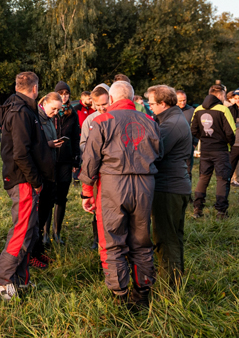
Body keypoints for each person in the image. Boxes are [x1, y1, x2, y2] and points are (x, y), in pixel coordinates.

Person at [79, 81, 162, 310]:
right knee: (142, 240)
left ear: (112, 98)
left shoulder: (102, 121)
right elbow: (159, 152)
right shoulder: (150, 121)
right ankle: (142, 291)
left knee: (112, 241)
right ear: (133, 97)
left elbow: (90, 160)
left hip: (113, 184)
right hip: (145, 183)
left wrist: (87, 192)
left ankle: (120, 294)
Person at [0, 72, 53, 301]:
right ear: (35, 88)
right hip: (24, 180)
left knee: (30, 230)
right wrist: (36, 181)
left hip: (26, 179)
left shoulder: (21, 107)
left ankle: (20, 279)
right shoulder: (20, 111)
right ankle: (3, 281)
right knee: (21, 230)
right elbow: (20, 153)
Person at [145, 85, 192, 287]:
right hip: (176, 185)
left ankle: (169, 285)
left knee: (165, 238)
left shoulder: (170, 124)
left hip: (168, 187)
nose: (149, 106)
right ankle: (176, 280)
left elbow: (153, 153)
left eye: (152, 103)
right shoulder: (173, 118)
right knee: (174, 236)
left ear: (163, 104)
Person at [191, 85, 236, 219]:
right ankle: (221, 212)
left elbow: (193, 130)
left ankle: (197, 208)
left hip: (205, 149)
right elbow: (231, 132)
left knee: (203, 178)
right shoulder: (223, 110)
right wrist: (228, 143)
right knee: (222, 179)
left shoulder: (198, 109)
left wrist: (204, 139)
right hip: (221, 150)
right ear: (220, 95)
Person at [31, 92, 65, 268]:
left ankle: (38, 250)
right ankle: (32, 253)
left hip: (50, 168)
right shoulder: (35, 118)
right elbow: (34, 144)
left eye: (59, 110)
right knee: (36, 217)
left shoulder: (49, 118)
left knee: (45, 211)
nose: (56, 113)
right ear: (44, 103)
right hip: (40, 171)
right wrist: (50, 144)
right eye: (54, 109)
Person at [46, 81, 81, 245]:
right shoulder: (49, 113)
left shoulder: (72, 113)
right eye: (61, 93)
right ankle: (45, 233)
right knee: (48, 196)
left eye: (67, 93)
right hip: (50, 158)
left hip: (66, 159)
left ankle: (57, 232)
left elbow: (75, 137)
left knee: (62, 196)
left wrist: (76, 158)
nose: (64, 96)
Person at [80, 84, 111, 250]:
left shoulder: (115, 117)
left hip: (112, 171)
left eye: (104, 105)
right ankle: (96, 238)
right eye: (97, 106)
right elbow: (83, 143)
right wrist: (92, 151)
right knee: (96, 206)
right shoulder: (90, 121)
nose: (101, 108)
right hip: (95, 170)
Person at [177, 90, 196, 179]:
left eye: (184, 100)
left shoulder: (191, 111)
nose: (183, 102)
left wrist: (194, 142)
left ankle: (187, 190)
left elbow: (196, 127)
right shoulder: (170, 110)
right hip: (175, 145)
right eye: (180, 101)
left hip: (188, 144)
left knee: (188, 170)